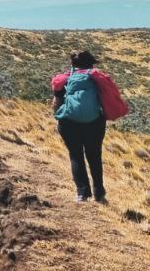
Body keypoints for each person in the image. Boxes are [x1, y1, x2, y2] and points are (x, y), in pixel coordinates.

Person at [51, 50, 129, 203]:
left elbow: (56, 99)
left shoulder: (65, 78)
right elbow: (110, 94)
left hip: (69, 123)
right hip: (94, 123)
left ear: (72, 63)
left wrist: (59, 115)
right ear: (91, 63)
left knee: (76, 156)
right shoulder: (97, 77)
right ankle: (99, 194)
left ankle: (82, 194)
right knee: (94, 156)